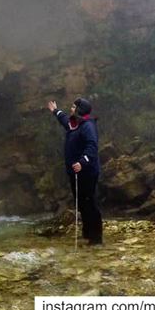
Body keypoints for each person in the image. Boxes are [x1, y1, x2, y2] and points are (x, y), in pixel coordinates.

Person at [47, 97, 103, 245]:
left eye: (73, 107)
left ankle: (96, 239)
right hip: (75, 172)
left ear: (79, 110)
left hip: (87, 171)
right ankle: (87, 233)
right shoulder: (74, 123)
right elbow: (64, 119)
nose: (71, 109)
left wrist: (82, 162)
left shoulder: (87, 126)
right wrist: (56, 111)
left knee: (90, 203)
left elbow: (92, 146)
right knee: (82, 203)